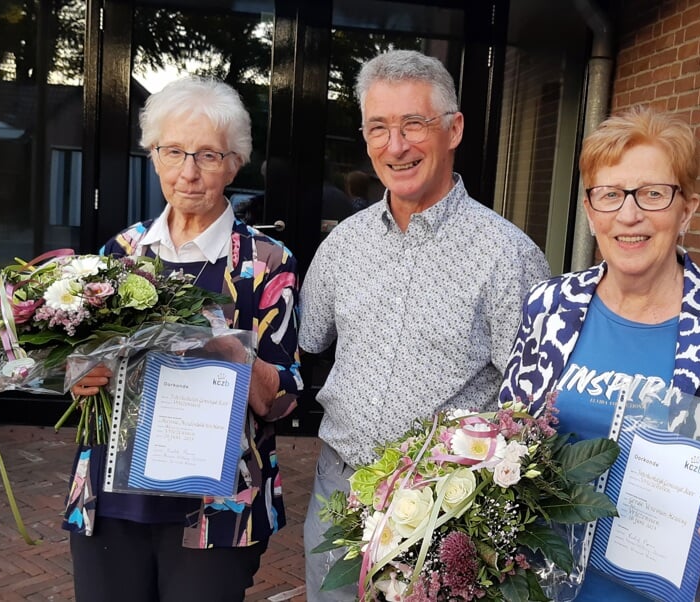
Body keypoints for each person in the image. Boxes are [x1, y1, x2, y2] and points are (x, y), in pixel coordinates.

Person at [498, 106, 700, 602]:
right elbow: (503, 436)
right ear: (590, 212)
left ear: (686, 208)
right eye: (610, 195)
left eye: (652, 194)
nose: (628, 215)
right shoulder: (549, 306)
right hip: (534, 588)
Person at [298, 49, 551, 600]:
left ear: (453, 128)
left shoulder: (508, 256)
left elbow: (532, 404)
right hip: (338, 491)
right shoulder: (343, 244)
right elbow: (309, 340)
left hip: (445, 509)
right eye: (379, 128)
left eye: (414, 123)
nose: (396, 146)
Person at [66, 77, 302, 602]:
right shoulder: (121, 252)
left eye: (208, 155)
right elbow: (81, 362)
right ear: (153, 156)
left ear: (235, 162)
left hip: (214, 510)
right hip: (111, 501)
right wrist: (80, 375)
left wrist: (233, 356)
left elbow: (284, 398)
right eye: (173, 151)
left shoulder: (266, 264)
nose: (188, 172)